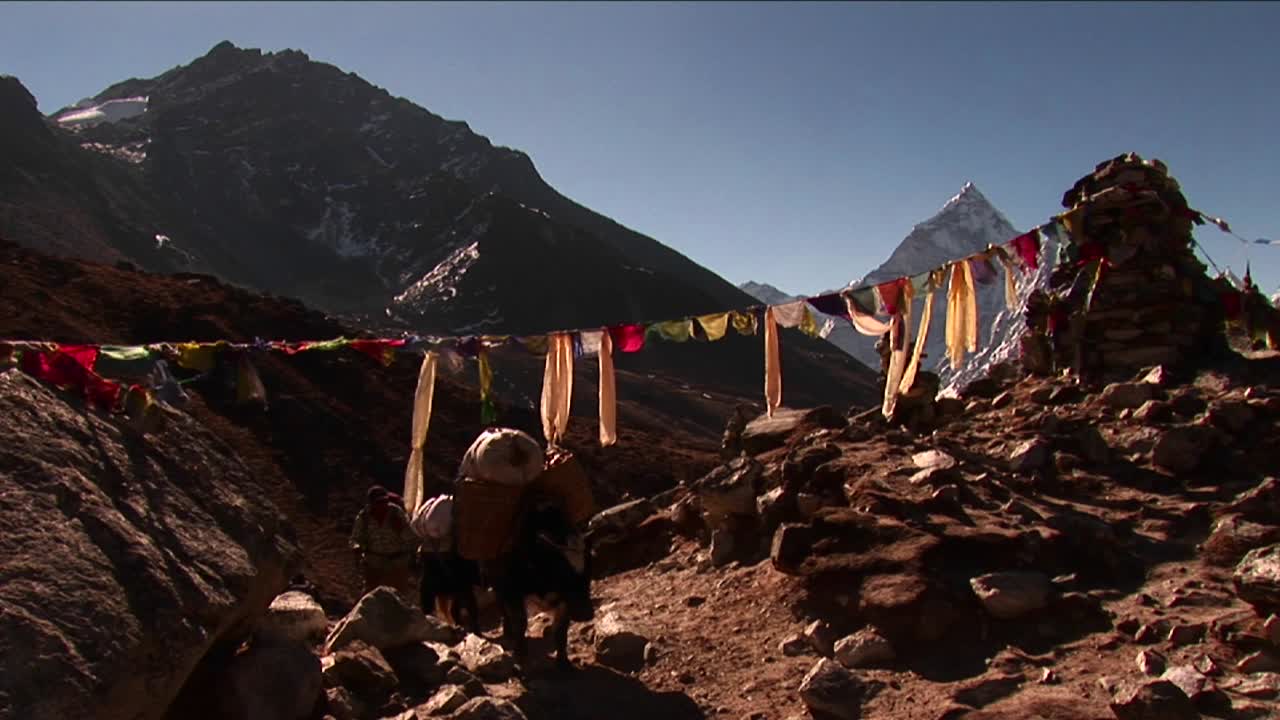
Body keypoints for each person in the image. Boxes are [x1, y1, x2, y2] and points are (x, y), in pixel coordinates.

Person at [350, 485, 417, 597]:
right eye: (379, 502)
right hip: (374, 564)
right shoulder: (364, 517)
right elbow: (355, 538)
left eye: (385, 501)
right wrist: (357, 548)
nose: (383, 505)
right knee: (371, 597)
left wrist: (400, 529)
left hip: (397, 564)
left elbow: (412, 538)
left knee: (399, 597)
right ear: (371, 503)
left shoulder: (396, 512)